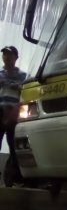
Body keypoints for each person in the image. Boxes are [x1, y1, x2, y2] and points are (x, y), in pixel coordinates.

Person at [0, 46, 27, 183]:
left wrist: (17, 86)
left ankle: (14, 178)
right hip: (0, 111)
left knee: (14, 147)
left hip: (14, 113)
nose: (6, 57)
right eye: (4, 54)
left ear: (16, 57)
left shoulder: (23, 76)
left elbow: (26, 92)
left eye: (9, 55)